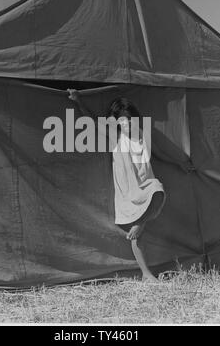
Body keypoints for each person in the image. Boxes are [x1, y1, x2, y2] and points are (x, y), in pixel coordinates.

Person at [67, 90, 166, 282]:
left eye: (128, 119)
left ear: (134, 118)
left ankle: (140, 228)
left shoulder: (142, 135)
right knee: (138, 235)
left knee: (157, 189)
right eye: (120, 121)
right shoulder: (115, 136)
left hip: (145, 185)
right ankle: (146, 273)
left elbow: (160, 151)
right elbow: (91, 121)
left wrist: (180, 162)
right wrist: (78, 101)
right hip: (129, 190)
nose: (125, 124)